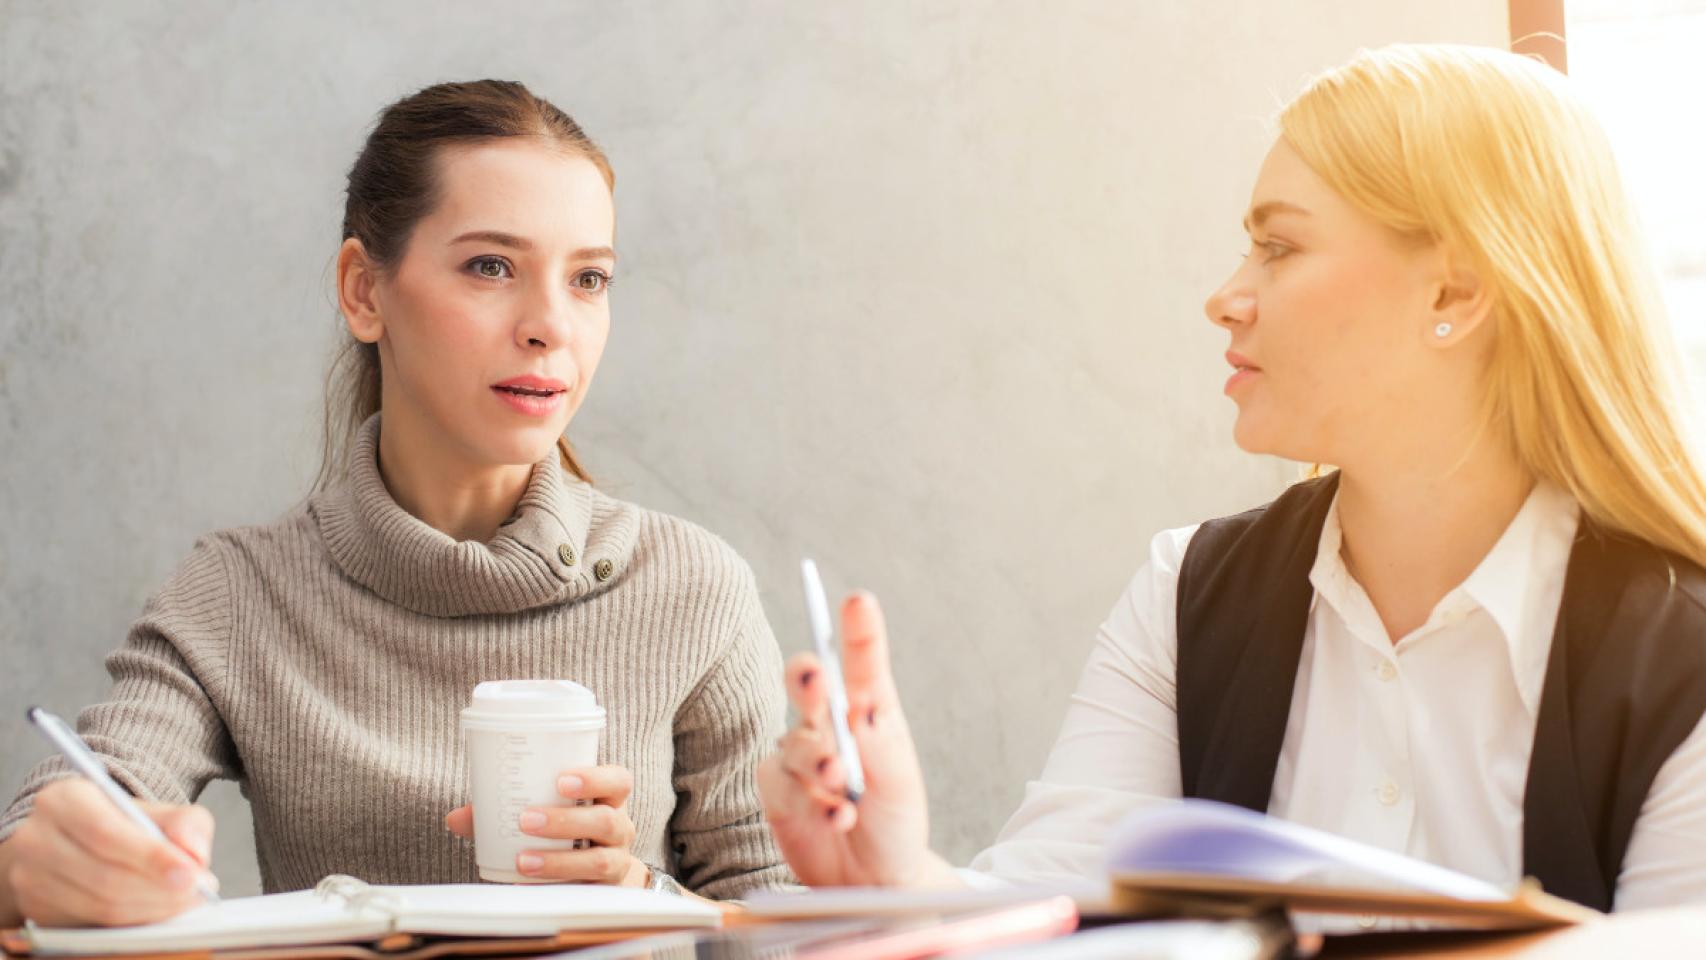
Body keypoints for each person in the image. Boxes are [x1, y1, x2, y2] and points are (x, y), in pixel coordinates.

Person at [759, 43, 1706, 913]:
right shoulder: (1188, 593)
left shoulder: (1679, 655)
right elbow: (1056, 918)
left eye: (1280, 246)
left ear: (1454, 294)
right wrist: (898, 876)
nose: (1225, 298)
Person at [0, 79, 791, 928]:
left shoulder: (694, 588)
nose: (550, 326)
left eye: (589, 278)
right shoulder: (238, 594)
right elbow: (75, 808)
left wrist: (647, 903)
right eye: (492, 266)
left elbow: (787, 919)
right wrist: (40, 867)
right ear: (363, 291)